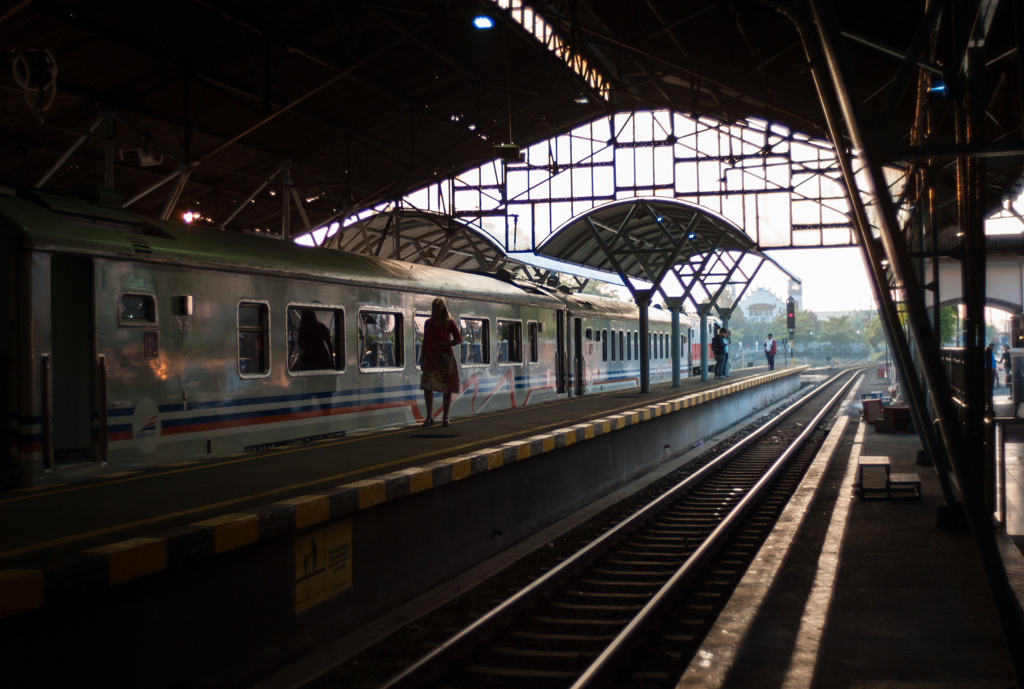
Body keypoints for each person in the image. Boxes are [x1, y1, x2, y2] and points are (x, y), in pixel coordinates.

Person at [420, 298, 462, 427]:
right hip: (431, 358)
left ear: (443, 309)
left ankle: (445, 417)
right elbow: (425, 342)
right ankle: (429, 416)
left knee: (447, 387)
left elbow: (458, 339)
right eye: (434, 308)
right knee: (427, 386)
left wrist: (445, 344)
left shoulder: (449, 322)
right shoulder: (428, 323)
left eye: (438, 309)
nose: (436, 311)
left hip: (445, 358)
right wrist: (422, 358)